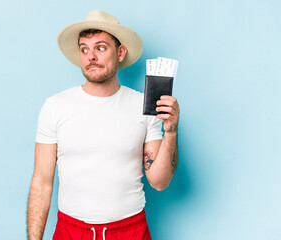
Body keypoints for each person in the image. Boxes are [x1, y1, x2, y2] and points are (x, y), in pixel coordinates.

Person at [27, 10, 180, 240]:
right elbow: (41, 182)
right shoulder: (55, 106)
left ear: (120, 52)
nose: (91, 56)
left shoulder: (142, 105)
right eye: (84, 49)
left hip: (130, 231)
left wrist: (170, 130)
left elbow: (159, 182)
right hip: (71, 231)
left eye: (100, 47)